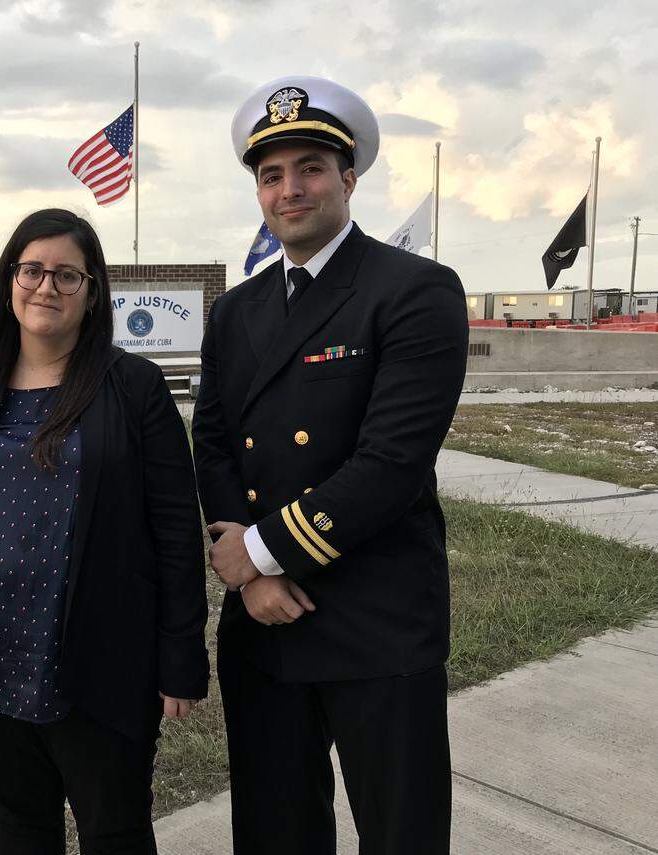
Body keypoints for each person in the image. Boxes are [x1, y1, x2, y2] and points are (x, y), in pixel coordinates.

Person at [193, 77, 469, 855]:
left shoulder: (413, 291)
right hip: (265, 625)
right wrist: (254, 576)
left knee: (401, 831)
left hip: (376, 620)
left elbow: (391, 464)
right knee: (276, 831)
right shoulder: (236, 311)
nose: (291, 189)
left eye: (311, 167)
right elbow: (211, 444)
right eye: (272, 175)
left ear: (349, 178)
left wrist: (256, 553)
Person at [0, 208, 209, 855]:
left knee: (115, 829)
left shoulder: (133, 387)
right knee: (21, 823)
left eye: (67, 275)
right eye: (32, 270)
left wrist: (181, 654)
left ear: (93, 291)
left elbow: (175, 530)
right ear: (10, 281)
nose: (46, 286)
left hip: (102, 662)